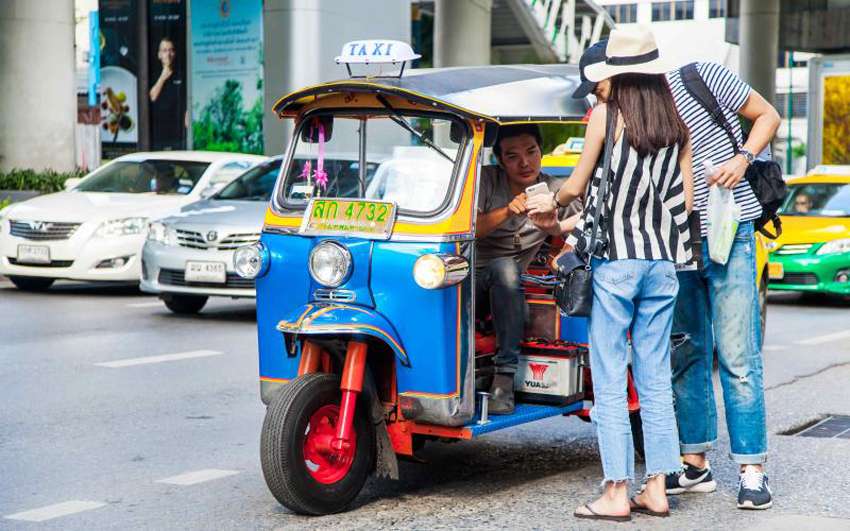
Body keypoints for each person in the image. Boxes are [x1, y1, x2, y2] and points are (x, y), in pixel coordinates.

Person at [530, 28, 694, 521]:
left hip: (617, 266)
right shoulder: (677, 122)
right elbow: (684, 202)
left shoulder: (606, 115)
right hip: (663, 265)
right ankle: (659, 488)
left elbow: (578, 185)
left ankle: (617, 492)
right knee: (655, 379)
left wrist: (550, 203)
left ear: (616, 74)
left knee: (607, 375)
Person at [663, 51, 781, 509]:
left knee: (737, 354)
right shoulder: (629, 111)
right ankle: (695, 465)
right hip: (674, 241)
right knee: (687, 352)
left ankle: (752, 471)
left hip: (731, 231)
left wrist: (742, 157)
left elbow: (767, 115)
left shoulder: (700, 76)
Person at [476, 124, 581, 414]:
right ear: (499, 160)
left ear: (541, 152)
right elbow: (471, 229)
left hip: (511, 284)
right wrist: (508, 210)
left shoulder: (555, 191)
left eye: (531, 152)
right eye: (512, 156)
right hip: (473, 280)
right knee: (504, 270)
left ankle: (504, 378)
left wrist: (564, 248)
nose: (525, 163)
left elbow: (589, 219)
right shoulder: (486, 180)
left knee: (509, 272)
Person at [149, 37, 186, 150]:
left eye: (171, 50)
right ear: (159, 55)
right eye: (164, 50)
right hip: (158, 134)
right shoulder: (152, 75)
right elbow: (152, 97)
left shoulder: (181, 75)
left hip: (177, 134)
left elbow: (187, 99)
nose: (168, 54)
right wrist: (162, 77)